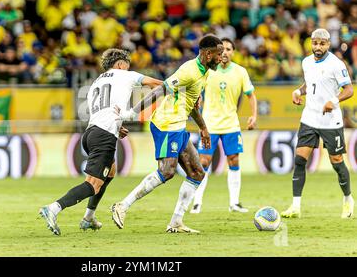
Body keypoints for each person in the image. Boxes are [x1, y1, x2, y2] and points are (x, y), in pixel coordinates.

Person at [39, 48, 162, 236]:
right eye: (127, 65)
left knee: (110, 172)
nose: (128, 68)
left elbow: (101, 111)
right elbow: (157, 85)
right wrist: (178, 86)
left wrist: (118, 126)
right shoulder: (125, 75)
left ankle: (89, 218)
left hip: (91, 133)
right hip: (104, 135)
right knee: (93, 184)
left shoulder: (96, 82)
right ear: (121, 64)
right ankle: (54, 208)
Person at [111, 34, 224, 233]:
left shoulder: (205, 71)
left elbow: (191, 105)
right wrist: (132, 112)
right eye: (219, 54)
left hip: (178, 125)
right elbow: (160, 89)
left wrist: (203, 128)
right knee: (167, 171)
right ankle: (122, 205)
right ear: (207, 54)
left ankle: (176, 222)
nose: (221, 58)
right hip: (166, 124)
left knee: (197, 173)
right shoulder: (189, 71)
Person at [281, 29, 354, 219]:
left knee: (337, 162)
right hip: (310, 118)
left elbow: (349, 90)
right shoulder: (306, 62)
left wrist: (334, 101)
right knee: (299, 160)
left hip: (330, 121)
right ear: (311, 43)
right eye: (315, 43)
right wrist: (298, 92)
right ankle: (295, 206)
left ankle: (348, 199)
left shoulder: (336, 64)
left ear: (328, 44)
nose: (318, 47)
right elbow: (309, 84)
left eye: (322, 43)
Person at [190, 38, 257, 214]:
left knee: (234, 160)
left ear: (233, 52)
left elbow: (251, 95)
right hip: (209, 124)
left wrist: (253, 116)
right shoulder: (209, 70)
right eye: (222, 49)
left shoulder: (241, 72)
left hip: (231, 125)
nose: (225, 52)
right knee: (203, 162)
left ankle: (234, 203)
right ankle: (197, 202)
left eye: (228, 49)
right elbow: (197, 90)